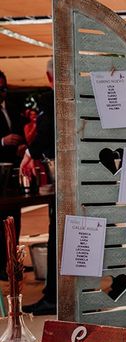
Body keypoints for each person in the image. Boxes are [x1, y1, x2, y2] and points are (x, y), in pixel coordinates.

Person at [21, 60, 56, 316]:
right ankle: (55, 292)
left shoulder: (51, 100)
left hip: (64, 181)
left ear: (48, 76)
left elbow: (44, 133)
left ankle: (54, 296)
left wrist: (30, 153)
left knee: (58, 234)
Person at [0, 70, 26, 281]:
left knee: (14, 219)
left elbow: (22, 133)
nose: (3, 93)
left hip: (14, 171)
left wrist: (23, 146)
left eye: (4, 88)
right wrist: (2, 141)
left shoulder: (12, 108)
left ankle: (12, 262)